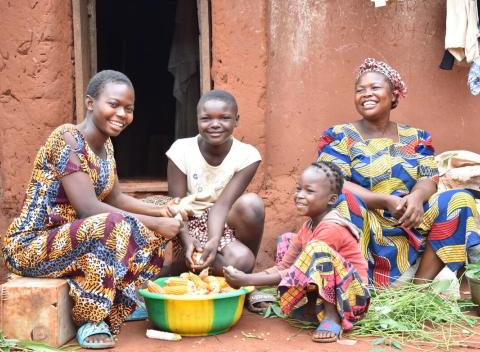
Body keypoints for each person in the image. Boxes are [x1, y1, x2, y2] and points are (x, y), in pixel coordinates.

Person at [2, 70, 188, 349]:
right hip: (31, 247)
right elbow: (89, 208)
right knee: (111, 225)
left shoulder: (106, 147)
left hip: (75, 242)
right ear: (90, 103)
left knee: (159, 208)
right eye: (113, 105)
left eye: (129, 108)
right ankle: (91, 318)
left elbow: (117, 198)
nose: (122, 114)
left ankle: (122, 298)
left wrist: (163, 212)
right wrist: (155, 224)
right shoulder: (66, 139)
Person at [317, 57, 480, 286]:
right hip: (365, 223)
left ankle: (417, 291)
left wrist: (416, 197)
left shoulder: (417, 137)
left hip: (409, 220)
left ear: (394, 95)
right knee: (342, 200)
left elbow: (428, 177)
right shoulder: (340, 135)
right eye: (360, 90)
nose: (366, 94)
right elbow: (333, 181)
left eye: (375, 87)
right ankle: (359, 288)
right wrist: (385, 201)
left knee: (459, 200)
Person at [223, 161, 370, 343]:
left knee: (317, 252)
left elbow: (295, 273)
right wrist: (242, 284)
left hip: (352, 298)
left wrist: (247, 280)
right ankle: (312, 306)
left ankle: (332, 317)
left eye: (309, 191)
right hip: (331, 289)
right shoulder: (309, 225)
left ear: (331, 199)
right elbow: (284, 267)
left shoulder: (332, 228)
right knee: (287, 239)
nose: (299, 196)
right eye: (299, 189)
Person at [164, 89, 265, 277]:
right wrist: (187, 240)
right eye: (206, 119)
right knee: (237, 262)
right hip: (188, 222)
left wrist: (214, 240)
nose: (215, 124)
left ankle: (245, 279)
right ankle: (183, 263)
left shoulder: (247, 155)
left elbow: (223, 204)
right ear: (197, 120)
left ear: (237, 120)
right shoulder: (181, 150)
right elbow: (176, 206)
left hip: (223, 219)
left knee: (252, 204)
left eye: (225, 118)